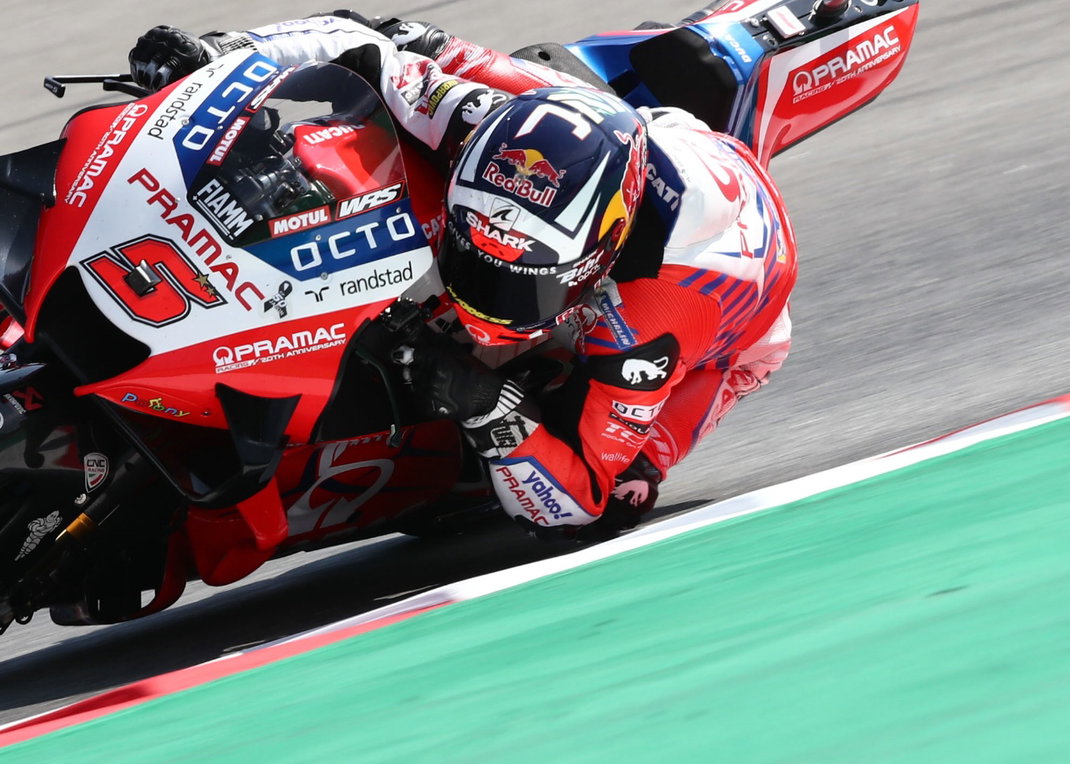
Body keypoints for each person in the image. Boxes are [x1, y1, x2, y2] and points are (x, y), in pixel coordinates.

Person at [128, 14, 796, 538]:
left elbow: (580, 498)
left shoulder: (650, 321)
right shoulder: (476, 119)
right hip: (602, 131)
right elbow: (356, 41)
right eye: (473, 260)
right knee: (410, 42)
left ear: (600, 256)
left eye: (524, 283)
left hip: (728, 339)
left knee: (622, 495)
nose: (481, 305)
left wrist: (489, 409)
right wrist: (219, 54)